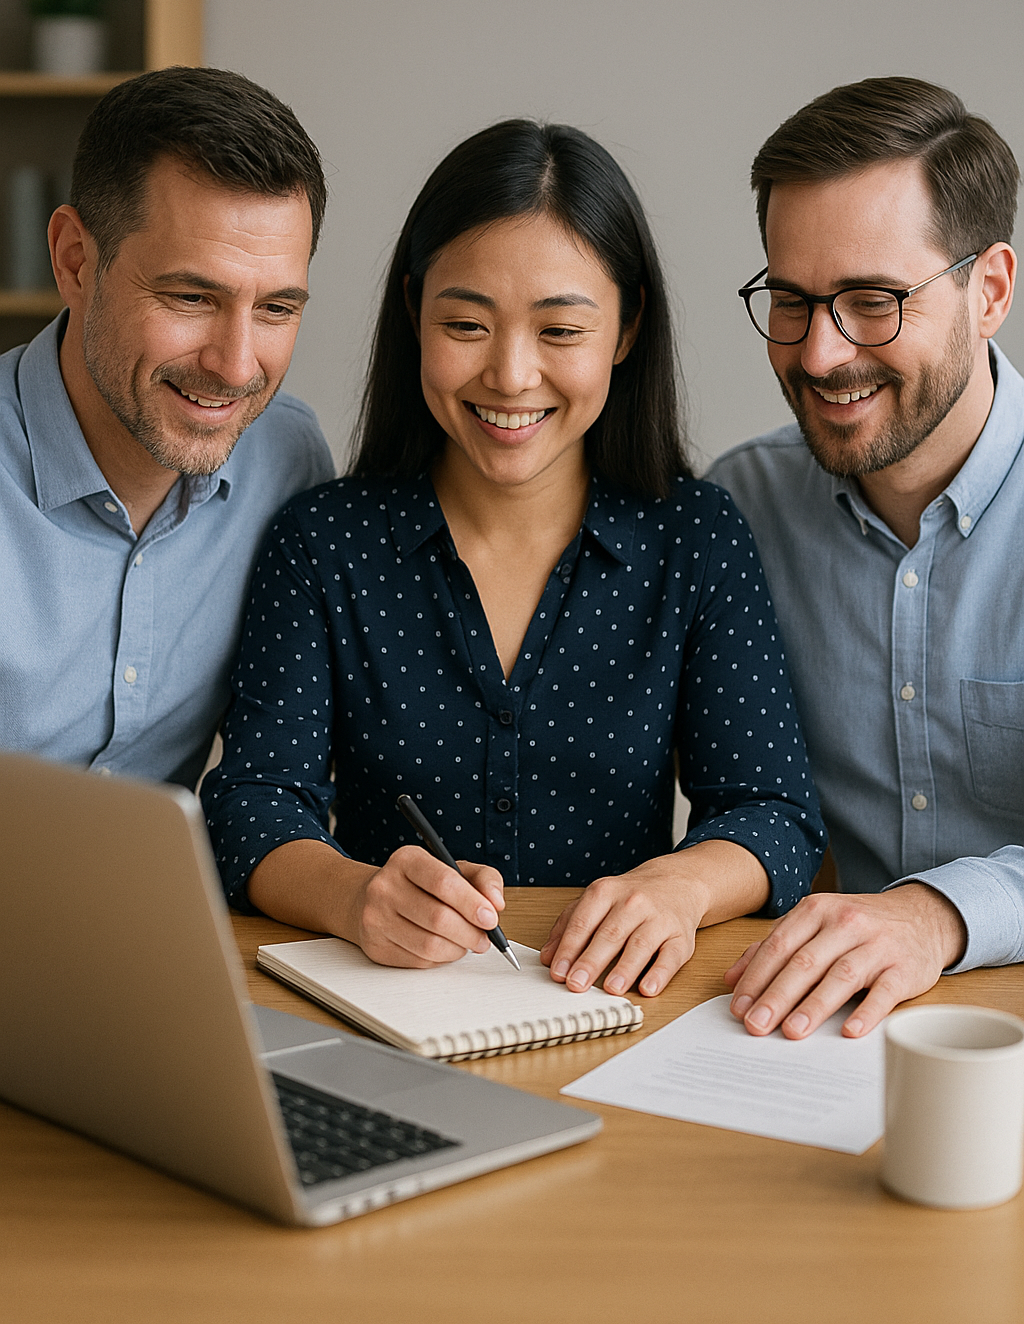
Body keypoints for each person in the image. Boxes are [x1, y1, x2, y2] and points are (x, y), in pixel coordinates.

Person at [202, 119, 825, 1000]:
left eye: (560, 330)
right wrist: (355, 895)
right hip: (387, 1003)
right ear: (414, 310)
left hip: (613, 1004)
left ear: (627, 326)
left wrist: (679, 887)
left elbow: (774, 813)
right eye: (465, 323)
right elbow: (253, 803)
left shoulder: (696, 536)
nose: (509, 374)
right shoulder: (323, 542)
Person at [708, 76, 1021, 1040]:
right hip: (816, 1024)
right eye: (792, 301)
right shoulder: (742, 506)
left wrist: (936, 915)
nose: (819, 354)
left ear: (990, 291)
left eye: (873, 301)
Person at [0, 66, 334, 789]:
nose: (235, 366)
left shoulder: (288, 459)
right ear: (75, 261)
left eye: (276, 309)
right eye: (191, 297)